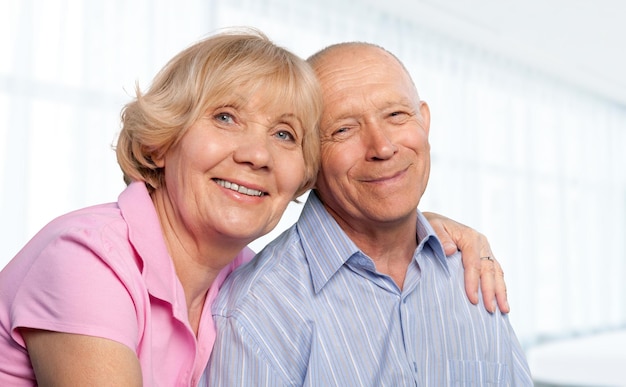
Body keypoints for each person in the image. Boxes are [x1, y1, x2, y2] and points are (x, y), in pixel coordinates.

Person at [0, 29, 506, 385]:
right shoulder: (88, 260)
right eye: (225, 117)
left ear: (303, 175)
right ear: (159, 142)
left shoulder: (234, 275)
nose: (257, 154)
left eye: (284, 134)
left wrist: (414, 229)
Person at [205, 42, 532, 386]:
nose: (382, 147)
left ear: (425, 122)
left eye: (395, 115)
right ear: (307, 159)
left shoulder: (471, 272)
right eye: (343, 129)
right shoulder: (257, 311)